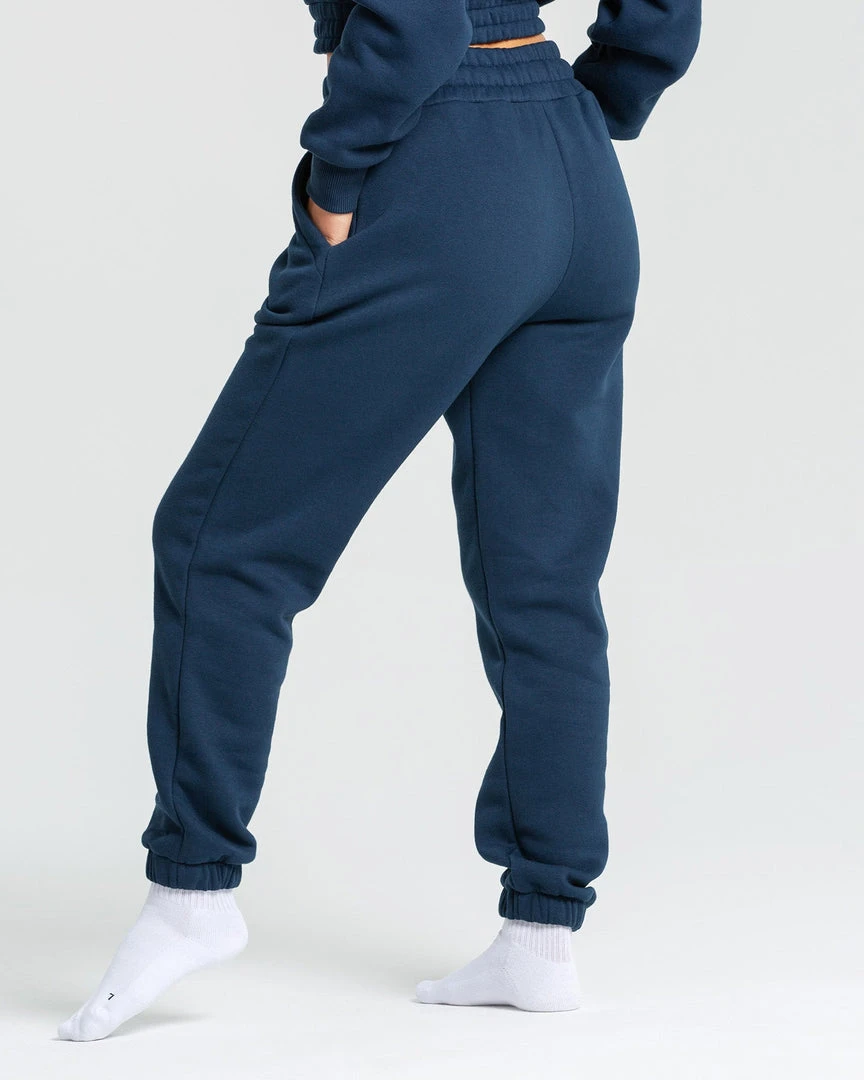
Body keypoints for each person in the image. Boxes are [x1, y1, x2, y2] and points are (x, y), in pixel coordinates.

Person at [58, 0, 701, 1041]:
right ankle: (543, 930)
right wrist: (609, 94)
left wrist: (336, 178)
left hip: (441, 162)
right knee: (544, 587)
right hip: (576, 171)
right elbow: (663, 13)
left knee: (222, 544)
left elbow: (416, 18)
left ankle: (191, 889)